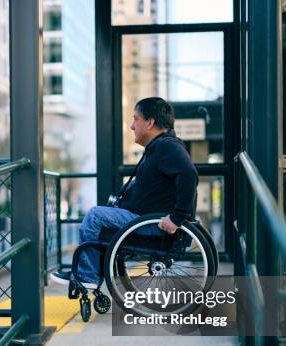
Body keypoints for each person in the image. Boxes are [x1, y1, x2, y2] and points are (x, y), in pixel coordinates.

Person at [51, 97, 199, 288]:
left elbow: (189, 174)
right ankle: (90, 273)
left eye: (135, 119)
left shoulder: (166, 146)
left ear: (150, 122)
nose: (131, 126)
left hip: (154, 224)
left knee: (95, 216)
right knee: (101, 217)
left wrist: (177, 218)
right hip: (146, 219)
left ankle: (86, 276)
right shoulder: (159, 147)